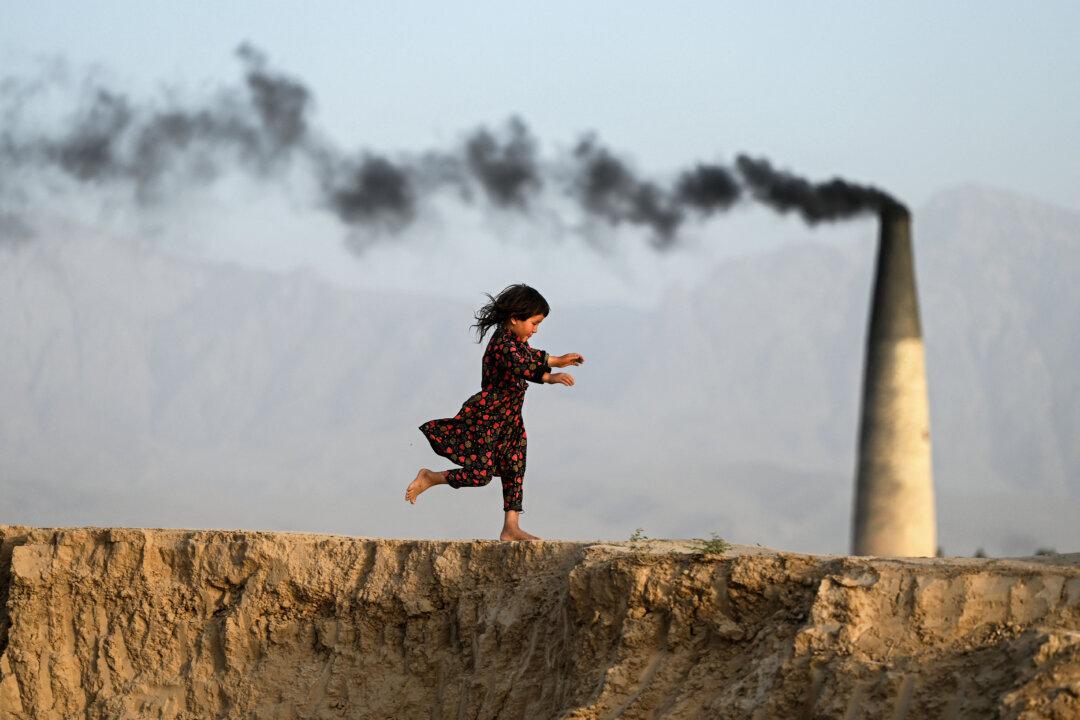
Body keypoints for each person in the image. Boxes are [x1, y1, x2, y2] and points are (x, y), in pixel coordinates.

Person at [407, 284, 584, 541]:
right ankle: (431, 477)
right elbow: (520, 364)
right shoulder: (502, 344)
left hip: (510, 418)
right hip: (488, 416)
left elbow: (529, 355)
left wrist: (558, 359)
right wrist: (550, 376)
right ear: (514, 319)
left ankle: (511, 527)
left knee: (515, 466)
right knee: (480, 474)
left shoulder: (515, 341)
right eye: (533, 323)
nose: (536, 330)